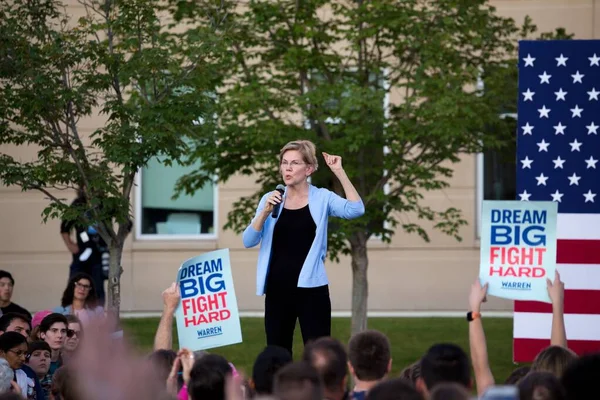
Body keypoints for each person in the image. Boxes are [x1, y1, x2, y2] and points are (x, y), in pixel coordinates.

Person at [243, 140, 364, 355]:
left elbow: (355, 210)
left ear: (308, 169)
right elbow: (248, 241)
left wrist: (339, 171)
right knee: (277, 355)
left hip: (312, 291)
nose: (287, 168)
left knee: (319, 356)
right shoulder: (271, 199)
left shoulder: (322, 197)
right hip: (277, 290)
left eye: (294, 163)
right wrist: (263, 212)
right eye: (284, 162)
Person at [60, 186, 107, 306]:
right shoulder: (78, 204)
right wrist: (70, 244)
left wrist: (115, 245)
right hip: (81, 255)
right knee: (74, 285)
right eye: (86, 186)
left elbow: (127, 224)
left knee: (97, 289)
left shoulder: (104, 204)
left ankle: (98, 317)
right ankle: (69, 315)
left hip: (98, 255)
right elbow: (65, 226)